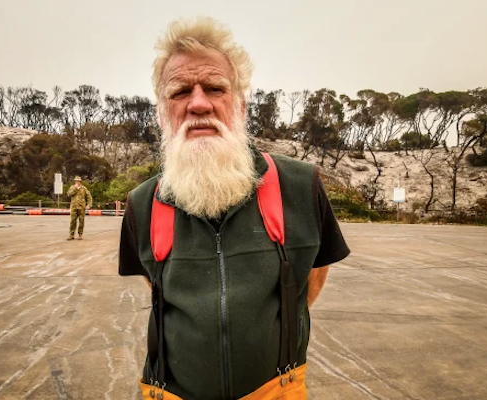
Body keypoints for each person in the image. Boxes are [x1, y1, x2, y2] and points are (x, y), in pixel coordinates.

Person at [118, 17, 351, 400]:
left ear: (240, 105)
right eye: (179, 92)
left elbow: (311, 278)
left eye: (214, 88)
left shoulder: (301, 185)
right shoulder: (142, 204)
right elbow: (155, 286)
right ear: (162, 112)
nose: (198, 103)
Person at [66, 176, 93, 240]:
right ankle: (71, 234)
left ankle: (80, 234)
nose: (77, 182)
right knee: (73, 221)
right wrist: (75, 189)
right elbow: (69, 194)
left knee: (81, 221)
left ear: (80, 182)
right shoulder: (72, 187)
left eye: (78, 181)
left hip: (81, 207)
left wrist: (89, 204)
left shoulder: (84, 188)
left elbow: (89, 196)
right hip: (74, 207)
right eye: (76, 181)